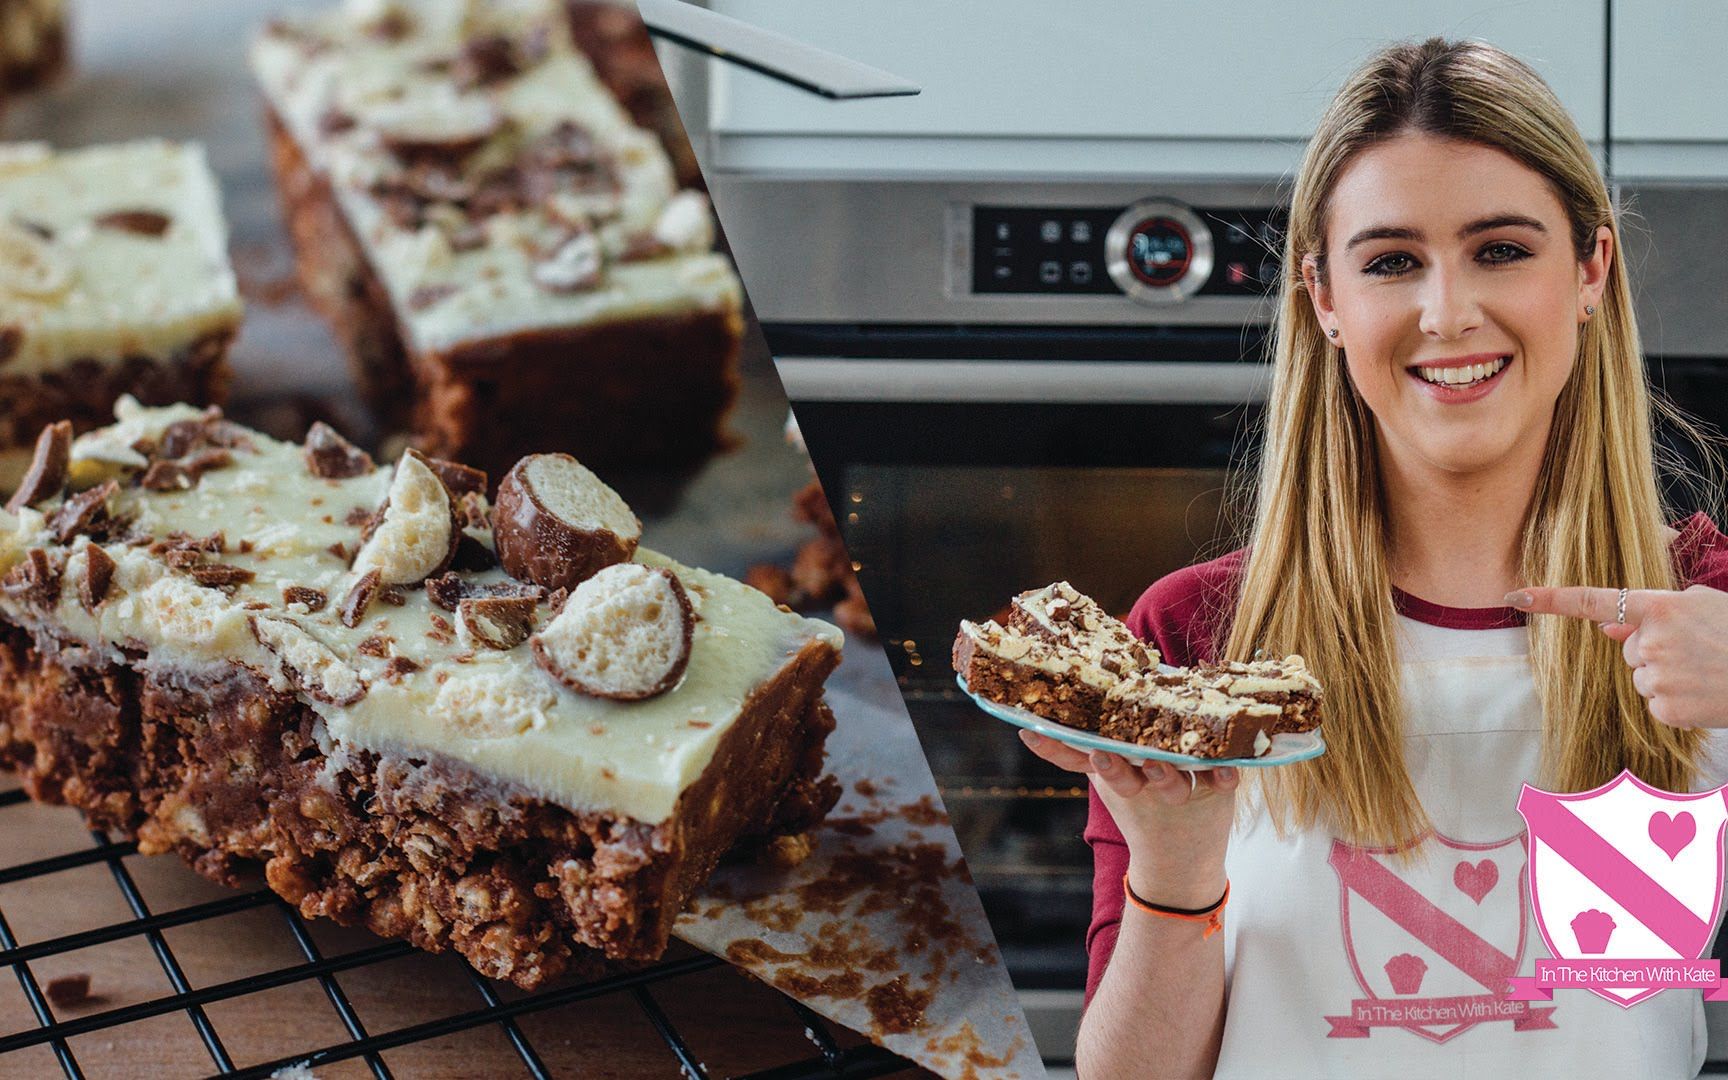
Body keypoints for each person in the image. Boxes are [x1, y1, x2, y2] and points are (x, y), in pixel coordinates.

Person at [1020, 37, 1728, 1079]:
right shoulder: (1191, 641)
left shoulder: (1705, 611)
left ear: (1590, 270)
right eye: (1393, 261)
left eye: (1501, 250)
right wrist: (1175, 869)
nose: (1448, 312)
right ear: (1325, 300)